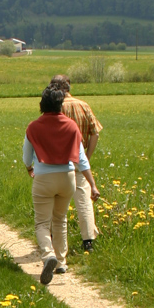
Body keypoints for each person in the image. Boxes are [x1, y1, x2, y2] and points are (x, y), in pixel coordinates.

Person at [23, 85, 100, 285]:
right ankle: (61, 262)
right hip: (67, 177)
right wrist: (92, 184)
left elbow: (26, 156)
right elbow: (82, 159)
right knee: (60, 219)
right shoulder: (72, 126)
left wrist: (29, 167)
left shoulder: (33, 127)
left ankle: (48, 255)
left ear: (42, 104)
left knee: (42, 222)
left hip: (43, 179)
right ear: (60, 104)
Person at [52, 74, 103, 252]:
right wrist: (87, 156)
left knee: (58, 202)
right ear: (69, 87)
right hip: (80, 162)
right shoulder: (83, 105)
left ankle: (55, 241)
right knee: (84, 201)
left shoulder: (55, 107)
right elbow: (95, 132)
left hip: (59, 162)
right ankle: (88, 241)